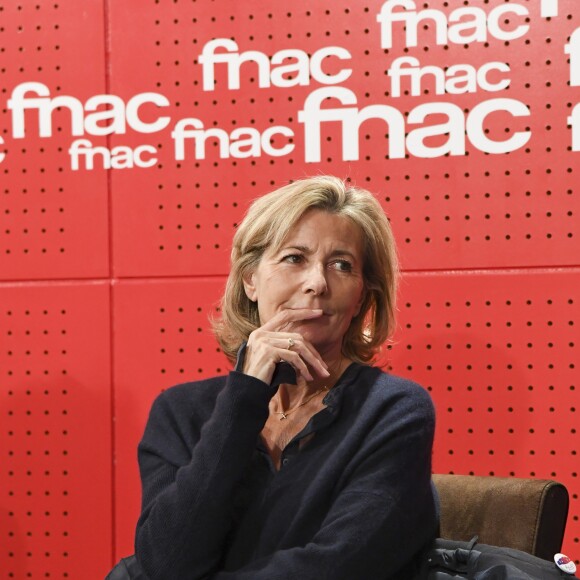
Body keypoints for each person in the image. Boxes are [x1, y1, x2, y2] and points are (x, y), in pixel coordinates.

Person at [134, 176, 438, 579]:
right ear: (251, 280)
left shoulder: (393, 410)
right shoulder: (180, 412)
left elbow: (341, 567)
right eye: (295, 258)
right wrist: (246, 395)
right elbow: (167, 562)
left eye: (341, 265)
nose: (317, 283)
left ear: (361, 296)